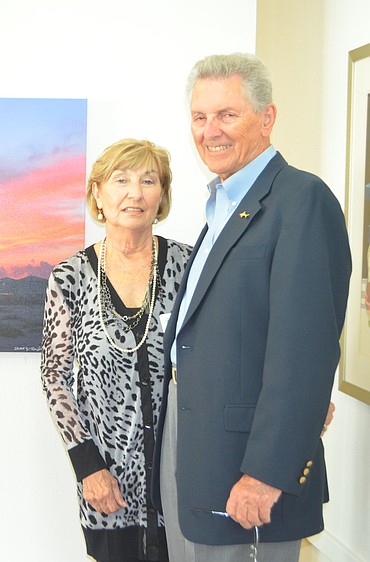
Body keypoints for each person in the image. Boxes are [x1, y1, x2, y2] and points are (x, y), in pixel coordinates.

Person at [152, 53, 351, 562]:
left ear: (267, 117)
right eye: (199, 117)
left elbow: (304, 353)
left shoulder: (301, 200)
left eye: (227, 115)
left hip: (248, 464)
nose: (209, 131)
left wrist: (267, 472)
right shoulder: (221, 205)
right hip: (197, 441)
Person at [41, 138, 192, 562]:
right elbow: (53, 375)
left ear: (161, 195)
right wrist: (87, 464)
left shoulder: (188, 266)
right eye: (121, 180)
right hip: (106, 475)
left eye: (149, 180)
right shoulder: (69, 277)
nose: (135, 192)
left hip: (180, 472)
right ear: (98, 193)